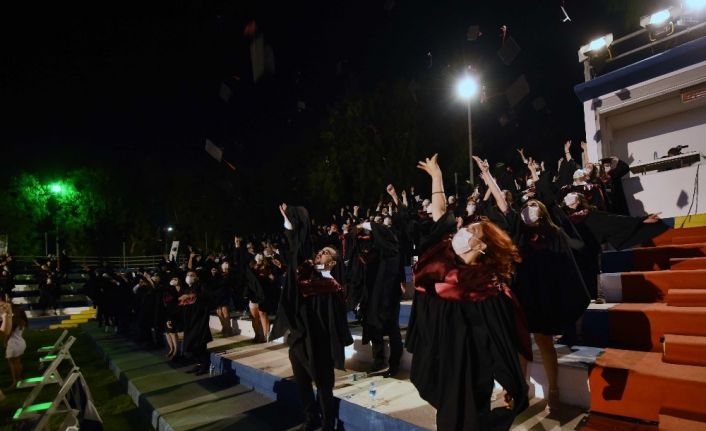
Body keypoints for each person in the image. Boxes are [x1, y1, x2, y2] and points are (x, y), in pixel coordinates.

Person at [406, 154, 530, 431]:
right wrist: (437, 177)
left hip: (474, 371)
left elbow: (506, 340)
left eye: (472, 231)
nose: (462, 231)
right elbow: (440, 215)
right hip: (441, 361)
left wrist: (514, 382)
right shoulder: (442, 268)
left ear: (483, 246)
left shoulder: (489, 290)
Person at [271, 204, 353, 431]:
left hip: (319, 342)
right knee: (303, 384)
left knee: (324, 385)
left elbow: (334, 323)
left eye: (325, 253)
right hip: (300, 339)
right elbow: (297, 250)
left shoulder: (332, 286)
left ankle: (327, 424)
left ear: (333, 263)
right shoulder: (307, 274)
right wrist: (291, 224)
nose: (319, 253)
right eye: (320, 251)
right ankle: (310, 419)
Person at [512, 198, 590, 410]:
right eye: (526, 207)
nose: (529, 209)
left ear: (542, 211)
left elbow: (565, 266)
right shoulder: (519, 235)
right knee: (521, 345)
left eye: (534, 205)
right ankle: (521, 389)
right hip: (524, 294)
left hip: (545, 295)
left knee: (544, 342)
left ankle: (554, 389)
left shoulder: (555, 233)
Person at [1, 294, 28, 389]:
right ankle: (19, 379)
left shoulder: (14, 320)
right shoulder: (22, 320)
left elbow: (7, 333)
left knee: (12, 364)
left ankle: (15, 381)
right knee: (17, 362)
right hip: (20, 342)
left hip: (13, 344)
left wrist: (5, 342)